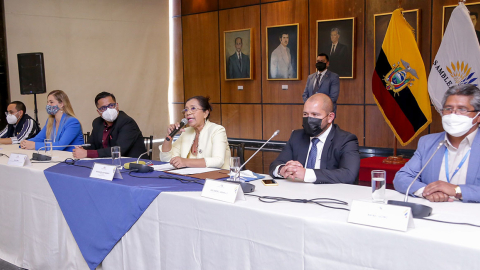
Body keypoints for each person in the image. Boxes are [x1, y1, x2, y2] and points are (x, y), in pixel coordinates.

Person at [394, 84, 480, 203]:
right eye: (448, 108)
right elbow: (401, 178)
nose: (453, 114)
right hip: (434, 212)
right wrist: (427, 191)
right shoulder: (428, 142)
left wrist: (457, 190)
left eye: (462, 109)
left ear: (478, 116)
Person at [269, 93, 360, 183]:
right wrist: (283, 169)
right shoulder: (297, 136)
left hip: (329, 194)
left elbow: (349, 174)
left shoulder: (346, 140)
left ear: (330, 117)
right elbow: (275, 164)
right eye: (305, 114)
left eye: (315, 115)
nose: (309, 119)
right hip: (297, 192)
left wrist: (307, 174)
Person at [160, 96, 230, 169]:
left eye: (193, 108)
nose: (188, 113)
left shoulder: (217, 130)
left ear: (205, 113)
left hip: (216, 178)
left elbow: (218, 161)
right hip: (189, 178)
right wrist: (169, 136)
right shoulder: (186, 132)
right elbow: (167, 159)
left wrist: (185, 162)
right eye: (186, 110)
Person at [72, 92, 146, 159]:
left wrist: (87, 153)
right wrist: (83, 149)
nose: (108, 110)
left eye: (111, 105)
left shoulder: (127, 122)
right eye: (103, 108)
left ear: (117, 106)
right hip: (107, 163)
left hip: (133, 165)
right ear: (99, 111)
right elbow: (91, 145)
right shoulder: (97, 122)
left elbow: (119, 150)